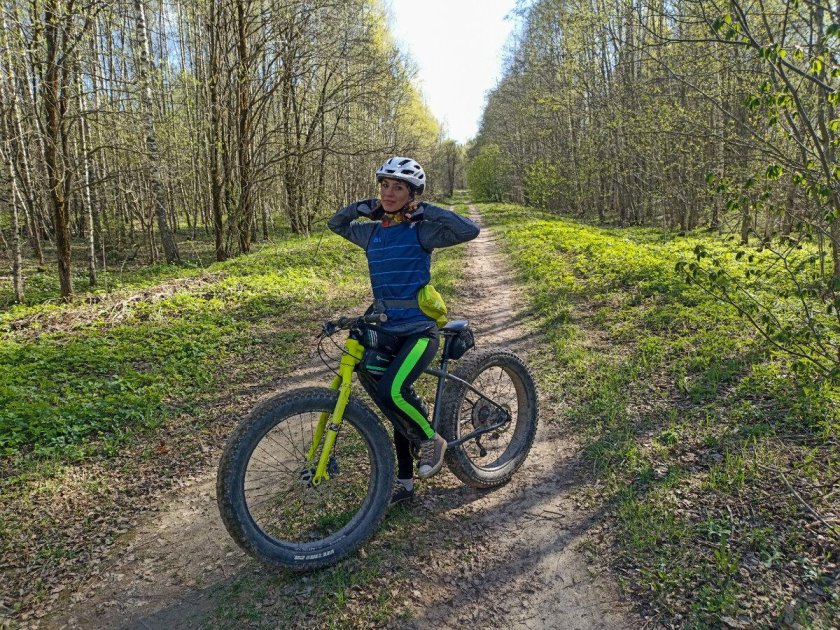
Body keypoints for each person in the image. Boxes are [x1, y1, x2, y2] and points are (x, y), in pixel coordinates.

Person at [328, 156, 480, 504]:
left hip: (419, 332)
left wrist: (426, 211)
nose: (389, 192)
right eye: (384, 185)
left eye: (399, 187)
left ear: (412, 194)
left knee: (393, 390)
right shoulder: (370, 233)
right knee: (392, 401)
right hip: (386, 329)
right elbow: (336, 223)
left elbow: (469, 230)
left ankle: (431, 440)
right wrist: (362, 207)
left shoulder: (420, 231)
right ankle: (406, 484)